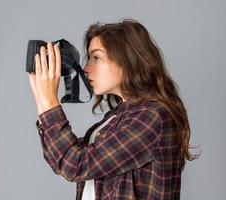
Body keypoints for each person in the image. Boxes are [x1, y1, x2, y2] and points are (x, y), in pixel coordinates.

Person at [28, 18, 200, 200]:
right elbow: (61, 161)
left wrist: (49, 101)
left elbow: (75, 165)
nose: (86, 69)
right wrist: (41, 96)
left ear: (128, 60)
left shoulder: (152, 116)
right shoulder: (120, 116)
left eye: (96, 58)